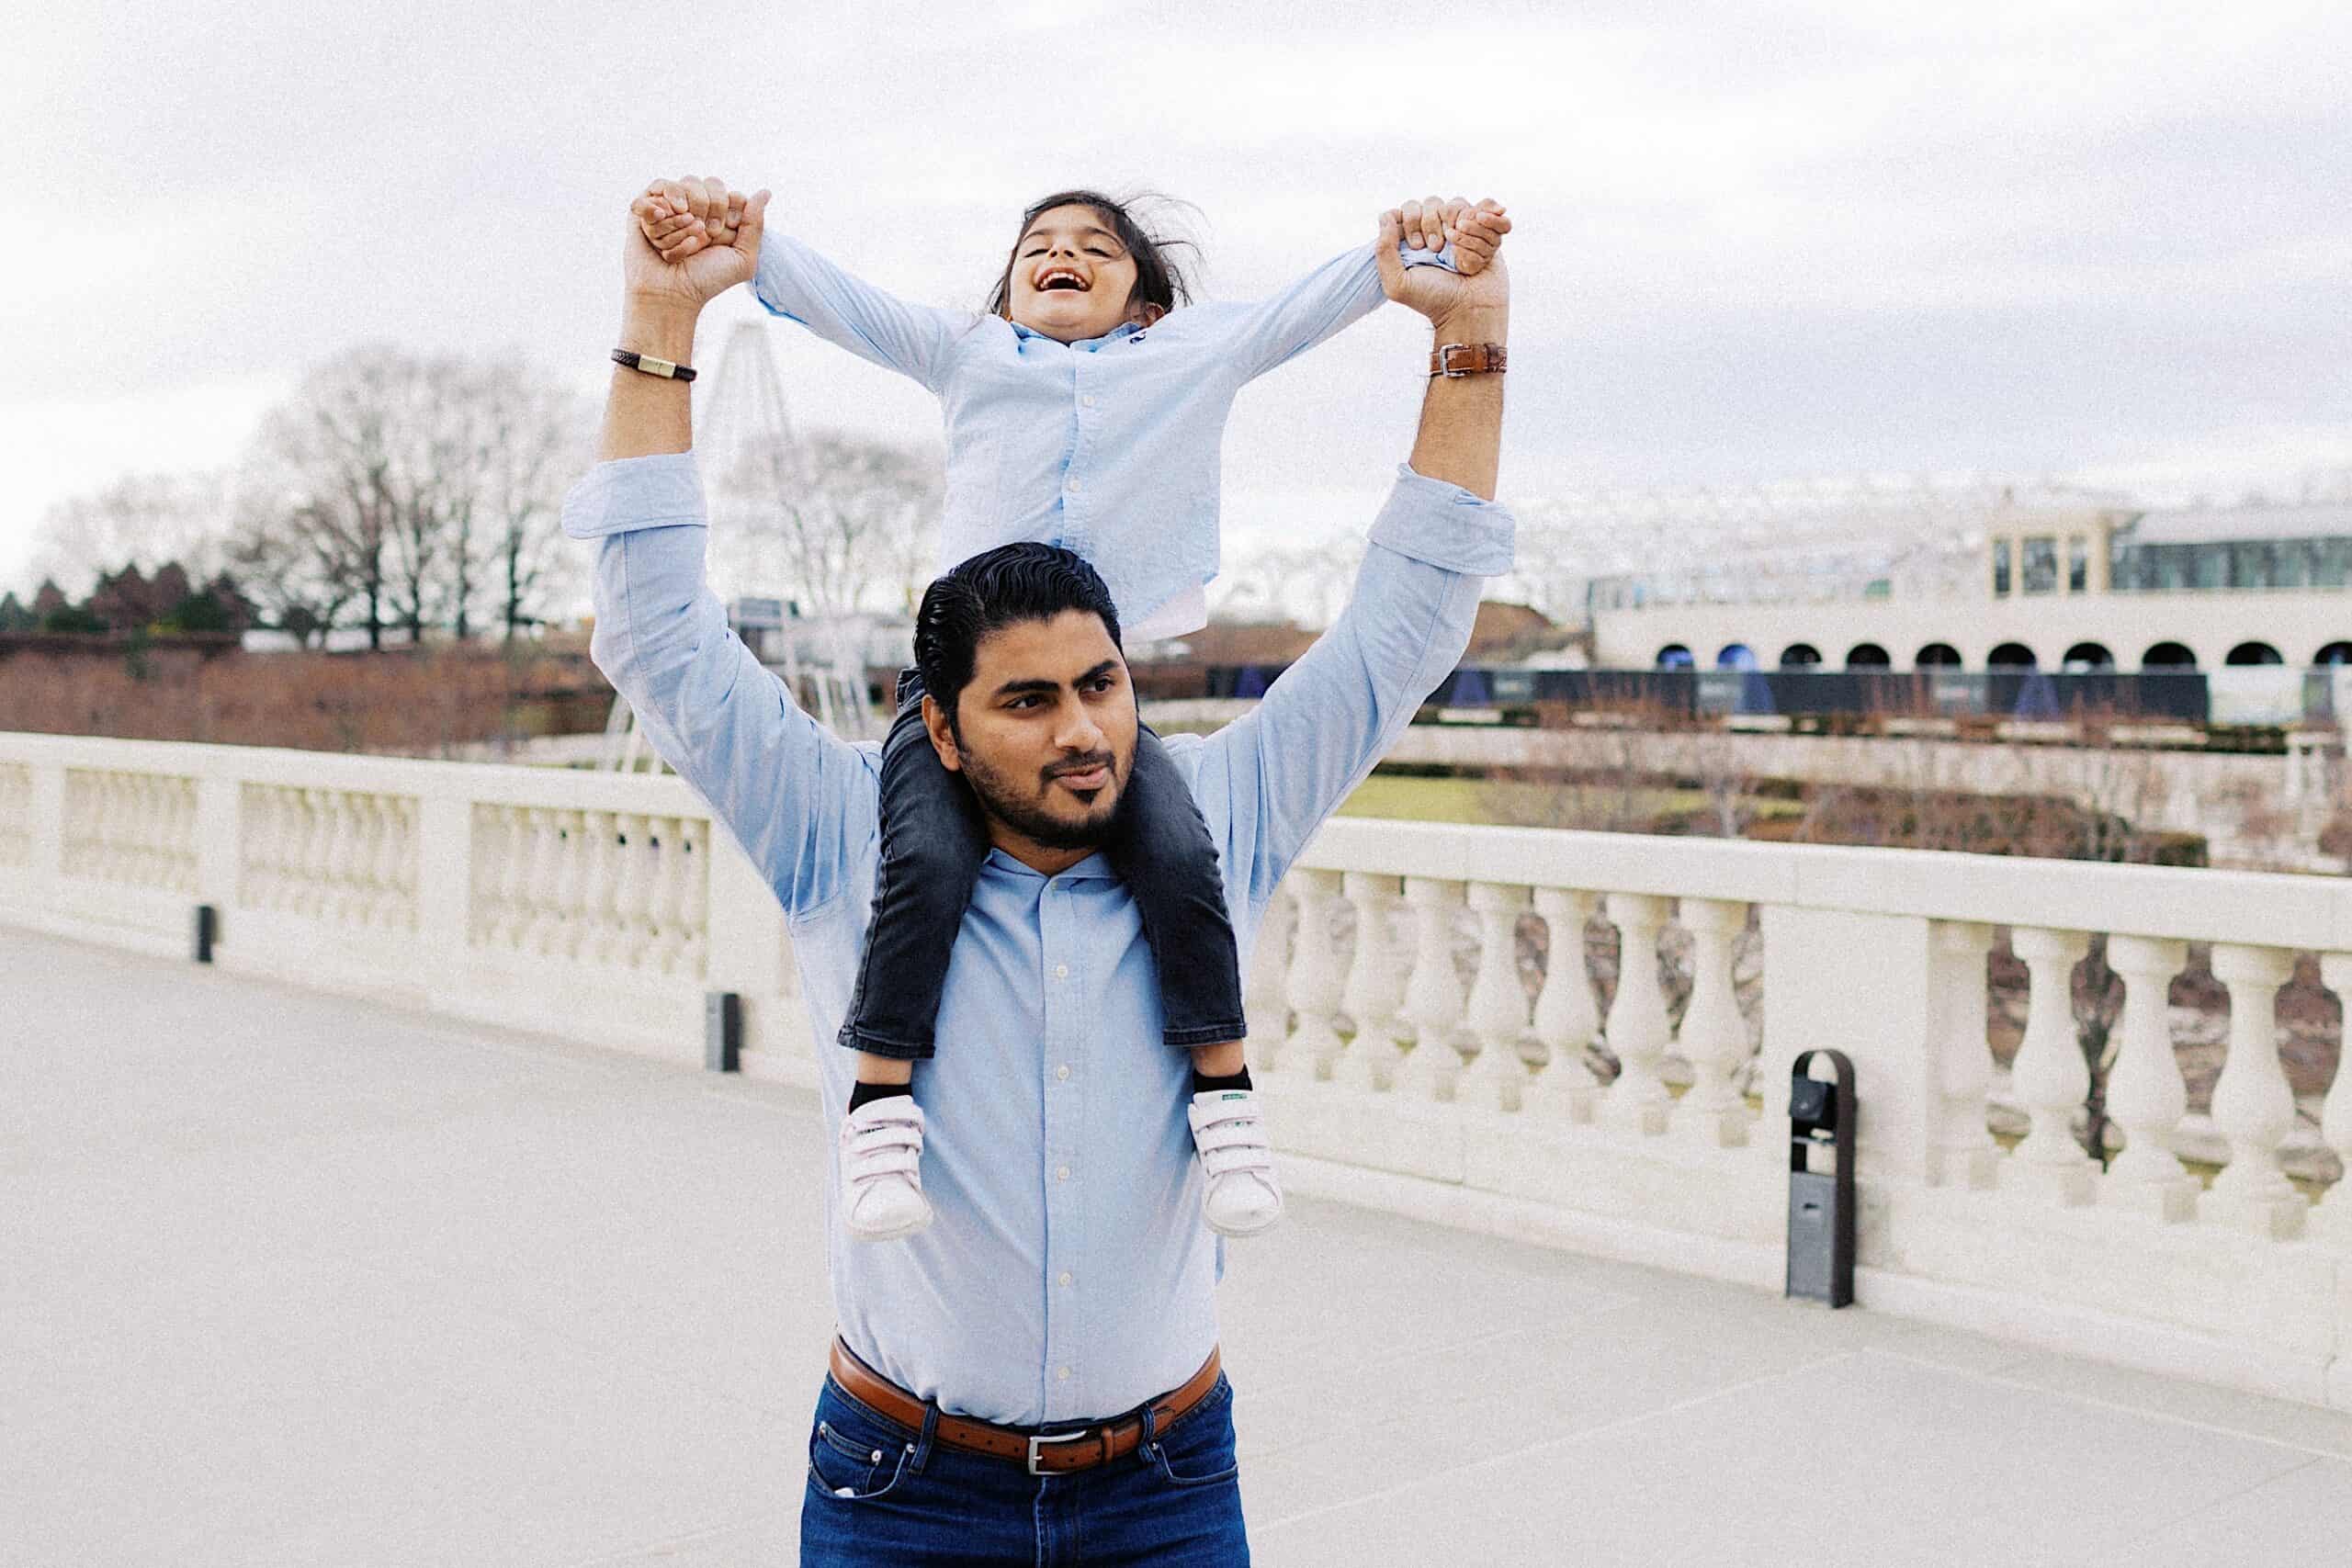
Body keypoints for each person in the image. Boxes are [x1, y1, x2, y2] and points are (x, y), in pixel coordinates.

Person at [566, 176, 1512, 1564]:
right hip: (905, 1490)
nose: (1084, 731)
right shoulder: (840, 838)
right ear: (938, 731)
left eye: (1103, 684)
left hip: (1169, 1486)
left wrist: (1469, 339)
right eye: (1027, 703)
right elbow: (656, 632)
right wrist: (660, 323)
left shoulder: (1225, 815)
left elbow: (1408, 619)